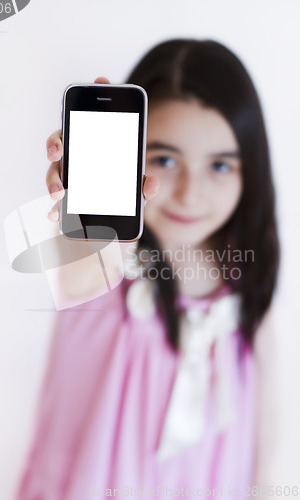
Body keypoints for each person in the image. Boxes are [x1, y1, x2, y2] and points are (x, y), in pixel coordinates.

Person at [16, 39, 280, 499]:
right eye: (165, 160)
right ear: (133, 162)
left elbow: (272, 423)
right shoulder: (114, 269)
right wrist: (87, 220)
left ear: (250, 171)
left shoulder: (246, 279)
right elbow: (81, 276)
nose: (190, 193)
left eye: (219, 165)